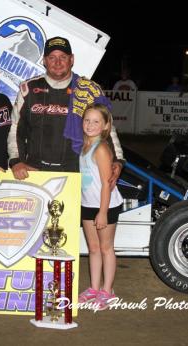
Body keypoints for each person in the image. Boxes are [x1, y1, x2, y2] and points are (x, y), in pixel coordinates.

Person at [7, 36, 124, 182]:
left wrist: (117, 160)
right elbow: (15, 128)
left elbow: (108, 128)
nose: (57, 62)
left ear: (72, 59)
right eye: (52, 57)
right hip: (34, 171)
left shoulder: (88, 90)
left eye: (63, 57)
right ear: (44, 60)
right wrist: (16, 161)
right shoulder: (28, 89)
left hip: (76, 171)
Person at [78, 103, 123, 310]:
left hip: (106, 206)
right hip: (88, 204)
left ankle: (107, 291)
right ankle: (94, 288)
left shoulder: (102, 148)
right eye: (87, 120)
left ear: (106, 126)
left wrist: (103, 212)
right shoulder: (85, 146)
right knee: (93, 248)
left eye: (96, 121)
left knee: (106, 248)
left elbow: (106, 183)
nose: (90, 124)